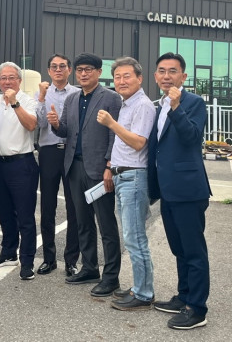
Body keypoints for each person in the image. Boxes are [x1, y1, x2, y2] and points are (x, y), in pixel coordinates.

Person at [47, 52, 122, 297]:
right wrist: (56, 124)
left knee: (106, 224)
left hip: (99, 169)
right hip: (74, 167)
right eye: (80, 70)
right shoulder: (72, 98)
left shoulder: (111, 98)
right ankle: (90, 268)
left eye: (89, 69)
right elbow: (66, 132)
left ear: (99, 72)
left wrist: (110, 165)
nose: (83, 74)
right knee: (83, 222)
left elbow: (114, 134)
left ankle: (111, 277)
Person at [148, 52, 211, 330]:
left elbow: (192, 137)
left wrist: (176, 107)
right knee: (179, 249)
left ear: (183, 76)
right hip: (168, 190)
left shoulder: (193, 102)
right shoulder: (160, 105)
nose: (166, 76)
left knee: (194, 251)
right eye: (162, 71)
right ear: (155, 76)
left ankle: (197, 308)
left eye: (172, 71)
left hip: (188, 190)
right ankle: (184, 296)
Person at [95, 57, 156, 310]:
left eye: (127, 76)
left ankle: (143, 293)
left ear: (139, 78)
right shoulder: (126, 104)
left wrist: (111, 123)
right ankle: (139, 286)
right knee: (131, 236)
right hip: (122, 176)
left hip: (134, 177)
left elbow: (139, 142)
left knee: (135, 238)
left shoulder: (142, 105)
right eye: (117, 77)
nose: (121, 81)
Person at [0, 62, 39, 280]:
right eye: (3, 78)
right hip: (0, 163)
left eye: (11, 78)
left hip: (22, 163)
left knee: (25, 216)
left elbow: (31, 125)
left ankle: (27, 261)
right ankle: (8, 252)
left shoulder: (28, 101)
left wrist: (15, 103)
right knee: (5, 212)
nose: (7, 82)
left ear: (19, 80)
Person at [35, 54, 80, 277]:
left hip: (72, 153)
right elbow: (40, 123)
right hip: (49, 152)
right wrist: (42, 97)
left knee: (74, 207)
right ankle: (49, 258)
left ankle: (71, 260)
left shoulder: (78, 93)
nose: (58, 70)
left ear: (69, 70)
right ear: (49, 70)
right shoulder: (42, 93)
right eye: (54, 66)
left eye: (62, 66)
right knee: (47, 206)